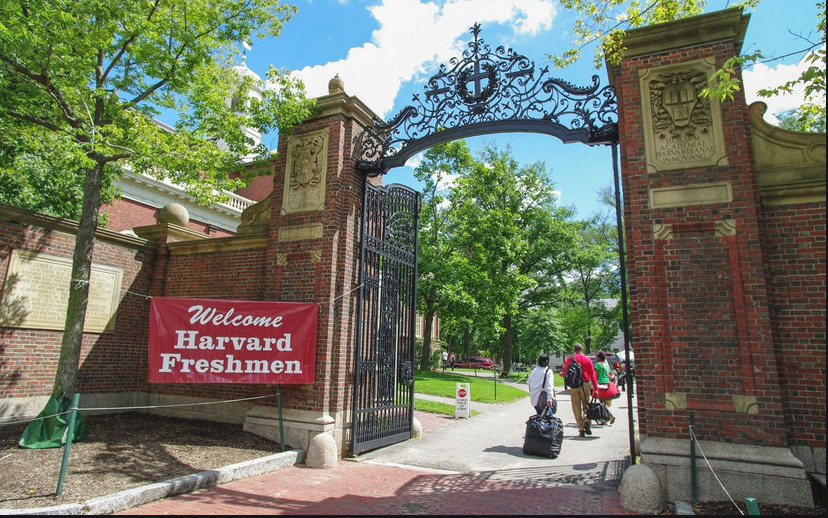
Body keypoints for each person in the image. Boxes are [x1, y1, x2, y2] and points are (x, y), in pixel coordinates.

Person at [562, 344, 598, 437]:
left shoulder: (570, 359)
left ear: (574, 350)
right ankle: (586, 421)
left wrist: (564, 376)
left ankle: (581, 428)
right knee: (587, 405)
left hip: (574, 385)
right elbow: (593, 375)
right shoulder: (587, 360)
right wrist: (595, 388)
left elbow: (564, 370)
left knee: (576, 407)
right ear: (582, 349)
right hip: (585, 384)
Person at [594, 352, 617, 425]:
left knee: (601, 402)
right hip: (607, 383)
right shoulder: (606, 365)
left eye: (596, 357)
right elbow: (609, 374)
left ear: (599, 358)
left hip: (600, 384)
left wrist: (594, 384)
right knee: (604, 402)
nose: (595, 358)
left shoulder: (598, 364)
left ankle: (610, 416)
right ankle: (605, 419)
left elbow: (596, 375)